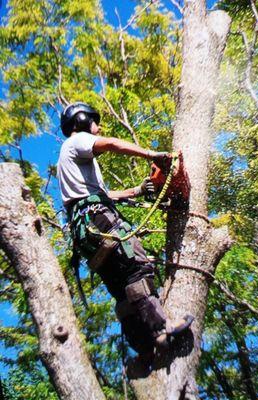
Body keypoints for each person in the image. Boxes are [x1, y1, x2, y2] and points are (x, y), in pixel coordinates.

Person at [57, 102, 193, 357]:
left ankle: (144, 350)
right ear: (82, 120)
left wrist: (137, 191)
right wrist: (153, 155)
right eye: (94, 121)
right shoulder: (77, 141)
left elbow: (104, 194)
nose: (98, 128)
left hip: (85, 232)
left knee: (121, 289)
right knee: (137, 267)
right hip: (98, 219)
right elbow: (111, 144)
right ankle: (161, 328)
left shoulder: (69, 159)